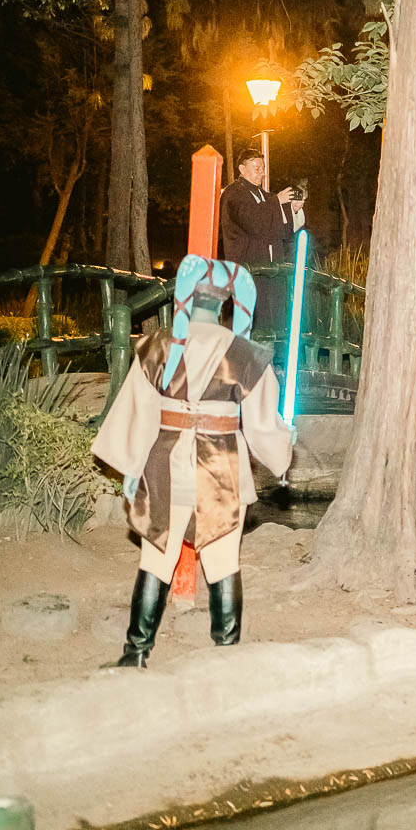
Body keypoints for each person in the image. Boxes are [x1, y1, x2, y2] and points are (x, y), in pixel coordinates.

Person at [92, 255, 294, 667]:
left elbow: (138, 410)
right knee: (223, 562)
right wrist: (282, 453)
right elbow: (262, 424)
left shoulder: (157, 346)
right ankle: (225, 654)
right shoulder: (244, 353)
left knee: (155, 559)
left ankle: (136, 653)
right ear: (224, 301)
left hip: (166, 466)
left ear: (186, 296)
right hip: (221, 470)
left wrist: (132, 469)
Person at [217, 152, 303, 333]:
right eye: (257, 168)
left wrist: (293, 209)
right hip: (248, 270)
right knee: (250, 324)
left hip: (271, 274)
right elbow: (253, 223)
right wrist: (277, 201)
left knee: (274, 324)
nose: (262, 173)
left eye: (263, 168)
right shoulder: (233, 194)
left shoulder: (265, 197)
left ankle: (272, 360)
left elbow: (284, 233)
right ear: (242, 168)